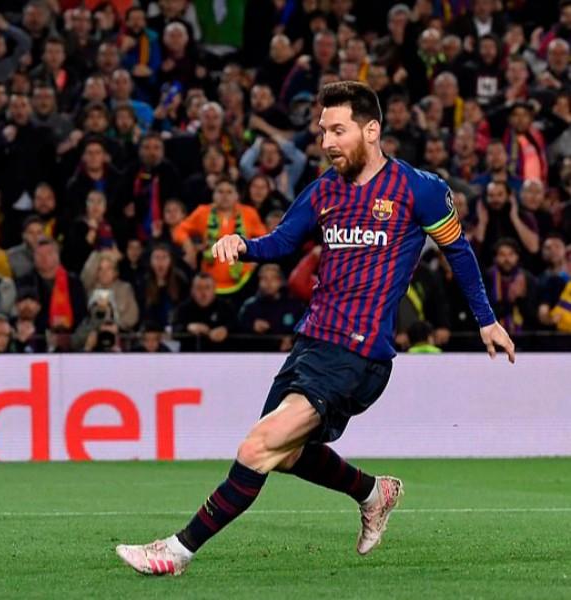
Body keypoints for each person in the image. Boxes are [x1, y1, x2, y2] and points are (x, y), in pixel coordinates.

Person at [116, 81, 514, 576]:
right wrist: (243, 244)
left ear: (372, 130)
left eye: (338, 130)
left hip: (359, 354)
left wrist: (486, 320)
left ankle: (176, 551)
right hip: (311, 343)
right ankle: (374, 492)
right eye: (323, 131)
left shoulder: (420, 189)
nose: (327, 142)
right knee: (284, 455)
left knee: (257, 447)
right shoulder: (324, 190)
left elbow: (459, 251)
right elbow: (283, 242)